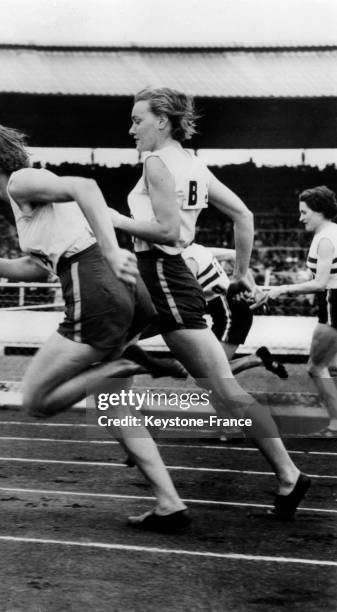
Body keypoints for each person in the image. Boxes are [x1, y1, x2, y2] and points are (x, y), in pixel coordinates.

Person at [0, 124, 190, 532]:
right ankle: (170, 503)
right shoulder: (29, 204)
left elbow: (88, 186)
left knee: (37, 401)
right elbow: (34, 267)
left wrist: (113, 252)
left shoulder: (22, 181)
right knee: (115, 410)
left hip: (97, 286)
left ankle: (120, 365)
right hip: (123, 293)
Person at [110, 87, 310, 522]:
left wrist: (115, 218)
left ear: (162, 121)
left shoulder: (157, 162)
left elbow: (165, 231)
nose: (131, 129)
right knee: (112, 362)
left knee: (221, 389)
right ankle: (142, 450)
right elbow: (244, 216)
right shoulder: (192, 163)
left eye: (137, 120)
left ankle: (150, 463)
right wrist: (239, 274)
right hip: (162, 277)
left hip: (161, 273)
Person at [260, 186, 337, 437]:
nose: (300, 217)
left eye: (304, 212)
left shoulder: (326, 239)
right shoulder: (331, 233)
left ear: (319, 212)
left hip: (332, 302)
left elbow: (320, 283)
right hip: (330, 300)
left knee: (316, 367)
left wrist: (282, 290)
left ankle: (336, 424)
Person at [182, 242, 287, 378]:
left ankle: (257, 359)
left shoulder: (186, 258)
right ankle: (258, 358)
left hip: (230, 314)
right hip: (228, 311)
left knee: (211, 372)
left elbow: (188, 296)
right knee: (204, 367)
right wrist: (253, 288)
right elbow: (235, 255)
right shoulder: (198, 249)